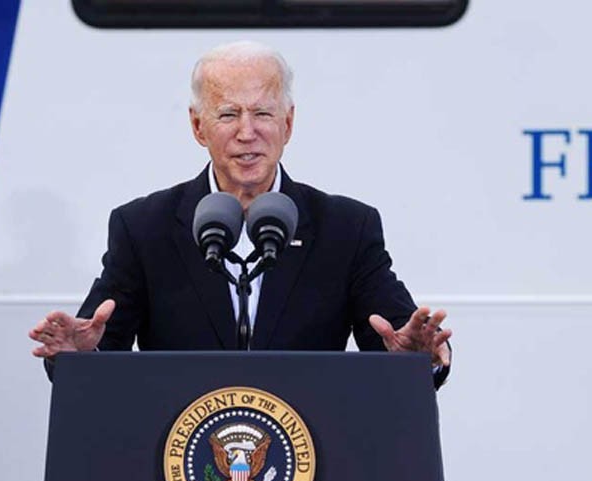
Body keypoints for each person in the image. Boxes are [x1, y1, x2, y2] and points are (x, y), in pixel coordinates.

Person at [29, 41, 451, 386]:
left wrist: (417, 360)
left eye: (263, 113)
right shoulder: (144, 227)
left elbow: (396, 341)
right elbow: (99, 345)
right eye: (228, 114)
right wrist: (78, 357)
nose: (247, 132)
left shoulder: (346, 228)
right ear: (198, 127)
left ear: (288, 123)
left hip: (311, 457)